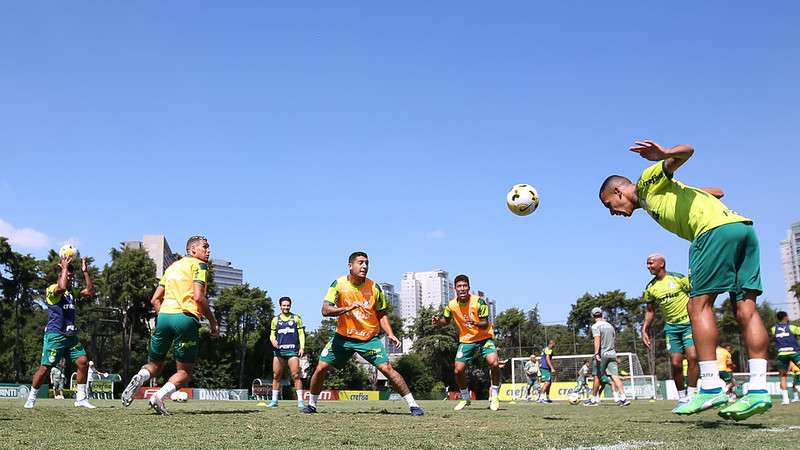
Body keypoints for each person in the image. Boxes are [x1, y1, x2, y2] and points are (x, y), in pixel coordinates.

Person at [599, 140, 771, 420]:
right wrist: (692, 192)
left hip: (712, 233)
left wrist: (666, 155)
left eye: (610, 204)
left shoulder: (645, 183)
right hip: (743, 230)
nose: (612, 211)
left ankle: (711, 385)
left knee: (698, 306)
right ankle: (760, 389)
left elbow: (687, 151)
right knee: (746, 310)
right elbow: (718, 192)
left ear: (619, 191)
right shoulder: (653, 197)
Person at [302, 252, 423, 416]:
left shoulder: (374, 287)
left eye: (367, 263)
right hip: (343, 337)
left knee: (387, 368)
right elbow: (325, 310)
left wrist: (390, 333)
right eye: (360, 262)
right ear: (350, 266)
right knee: (321, 367)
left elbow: (381, 313)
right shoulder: (338, 284)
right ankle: (311, 405)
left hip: (368, 339)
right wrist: (347, 308)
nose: (365, 266)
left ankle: (413, 406)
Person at [121, 236, 219, 415]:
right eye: (205, 247)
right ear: (192, 250)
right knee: (184, 372)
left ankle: (141, 376)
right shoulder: (199, 266)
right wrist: (213, 322)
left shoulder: (172, 267)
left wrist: (166, 315)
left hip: (164, 317)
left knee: (155, 365)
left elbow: (154, 299)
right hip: (185, 318)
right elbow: (198, 297)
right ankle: (158, 396)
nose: (208, 251)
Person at [24, 256, 95, 409]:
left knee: (83, 362)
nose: (70, 276)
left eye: (71, 274)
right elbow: (61, 287)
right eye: (67, 273)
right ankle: (31, 397)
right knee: (45, 368)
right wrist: (64, 267)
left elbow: (89, 291)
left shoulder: (72, 293)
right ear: (60, 274)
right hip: (55, 335)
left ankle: (81, 398)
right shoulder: (52, 289)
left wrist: (85, 271)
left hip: (71, 337)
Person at [432, 274, 501, 411]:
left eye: (464, 286)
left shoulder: (479, 302)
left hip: (484, 338)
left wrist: (474, 323)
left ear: (469, 287)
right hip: (466, 340)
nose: (462, 289)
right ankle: (465, 398)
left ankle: (494, 395)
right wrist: (438, 322)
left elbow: (485, 322)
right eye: (459, 286)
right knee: (458, 370)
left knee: (494, 362)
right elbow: (446, 321)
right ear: (455, 288)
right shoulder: (451, 305)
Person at [641, 254, 698, 407]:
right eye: (647, 264)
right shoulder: (650, 288)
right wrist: (644, 329)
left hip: (688, 324)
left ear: (661, 264)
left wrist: (698, 316)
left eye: (651, 263)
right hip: (671, 328)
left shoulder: (678, 278)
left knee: (693, 357)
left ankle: (692, 394)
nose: (648, 266)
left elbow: (695, 295)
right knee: (675, 363)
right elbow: (650, 311)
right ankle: (682, 397)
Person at [586, 307, 629, 407]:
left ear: (593, 316)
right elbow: (614, 339)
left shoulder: (595, 326)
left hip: (602, 354)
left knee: (597, 376)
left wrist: (596, 353)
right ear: (602, 314)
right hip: (612, 353)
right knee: (615, 377)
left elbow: (597, 339)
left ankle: (593, 400)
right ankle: (624, 398)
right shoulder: (610, 326)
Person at [267, 296, 306, 409]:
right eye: (284, 305)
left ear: (290, 305)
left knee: (296, 375)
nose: (286, 307)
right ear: (280, 306)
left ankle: (300, 401)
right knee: (276, 376)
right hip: (279, 352)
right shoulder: (275, 319)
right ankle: (274, 401)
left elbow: (301, 334)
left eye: (288, 305)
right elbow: (272, 334)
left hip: (292, 351)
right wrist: (272, 340)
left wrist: (302, 347)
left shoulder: (296, 318)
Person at [770, 311, 800, 406]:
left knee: (783, 376)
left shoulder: (774, 329)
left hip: (782, 354)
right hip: (794, 352)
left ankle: (786, 399)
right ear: (786, 317)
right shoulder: (792, 327)